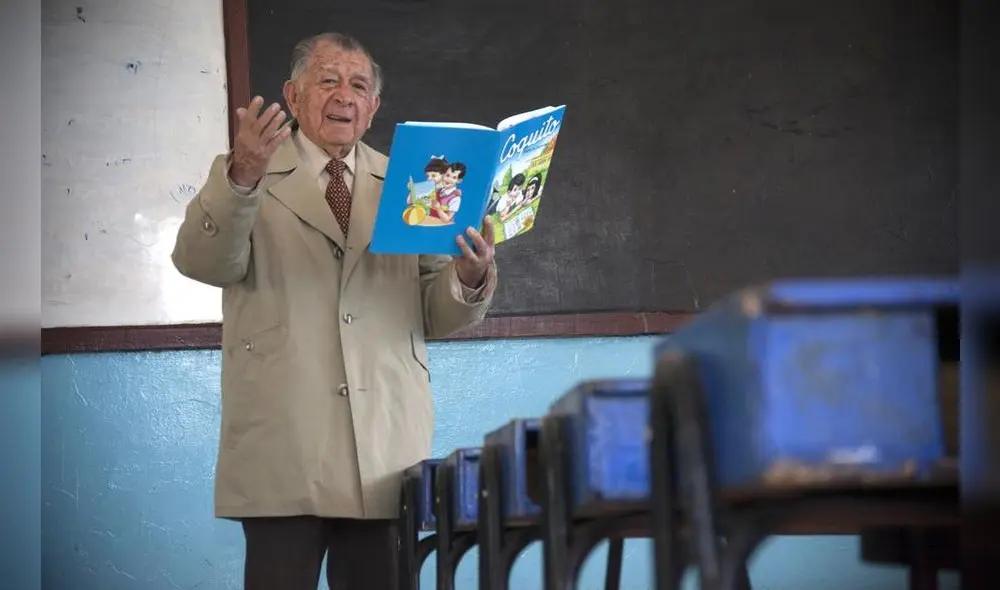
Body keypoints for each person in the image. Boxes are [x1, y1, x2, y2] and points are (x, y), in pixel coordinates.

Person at [170, 31, 497, 590]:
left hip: (383, 448)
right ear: (293, 98)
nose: (344, 95)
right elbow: (201, 262)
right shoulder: (248, 170)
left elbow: (433, 313)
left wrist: (468, 278)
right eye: (328, 80)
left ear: (373, 108)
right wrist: (241, 178)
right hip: (283, 443)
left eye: (358, 85)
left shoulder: (411, 181)